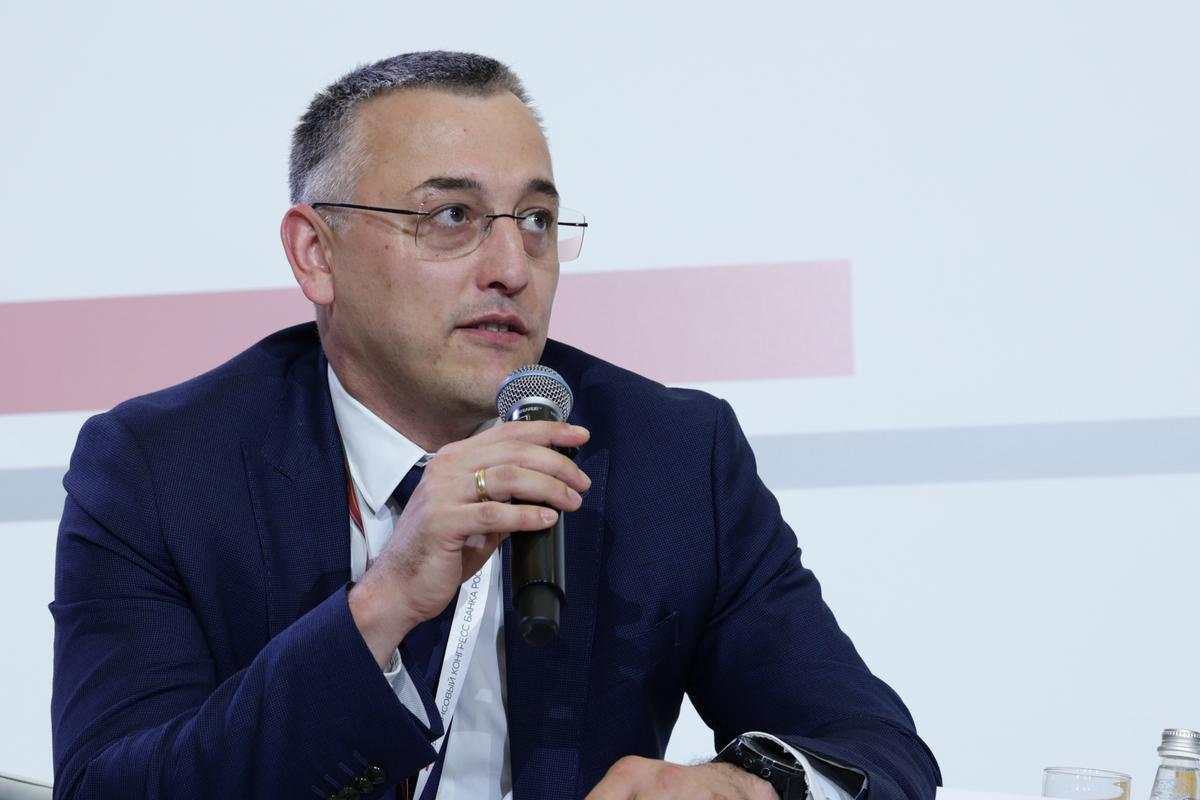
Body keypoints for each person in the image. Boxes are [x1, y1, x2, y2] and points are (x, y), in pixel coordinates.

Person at [50, 51, 940, 800]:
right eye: (452, 217)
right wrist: (383, 602)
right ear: (316, 253)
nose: (513, 266)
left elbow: (872, 750)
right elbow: (108, 787)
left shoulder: (673, 455)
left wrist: (750, 790)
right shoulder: (162, 469)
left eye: (538, 221)